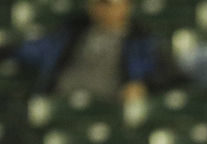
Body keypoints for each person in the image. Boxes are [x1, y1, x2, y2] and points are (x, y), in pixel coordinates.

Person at [1, 0, 172, 103]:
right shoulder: (73, 31)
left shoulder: (141, 39)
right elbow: (34, 50)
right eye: (100, 3)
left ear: (126, 6)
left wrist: (143, 85)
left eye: (110, 4)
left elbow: (169, 74)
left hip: (108, 107)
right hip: (60, 101)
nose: (103, 8)